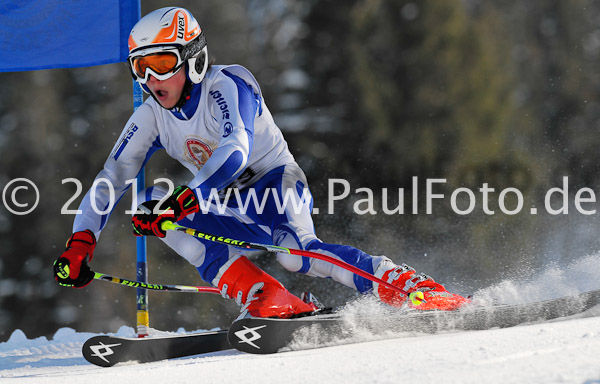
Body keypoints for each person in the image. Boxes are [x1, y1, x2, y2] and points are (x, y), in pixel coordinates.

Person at [53, 7, 469, 319]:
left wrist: (189, 195)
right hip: (223, 204)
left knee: (295, 255)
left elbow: (234, 148)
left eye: (162, 64)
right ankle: (265, 296)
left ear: (192, 57)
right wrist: (81, 242)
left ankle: (406, 285)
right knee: (148, 206)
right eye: (140, 67)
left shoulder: (228, 83)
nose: (152, 79)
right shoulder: (151, 115)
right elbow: (113, 175)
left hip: (274, 184)